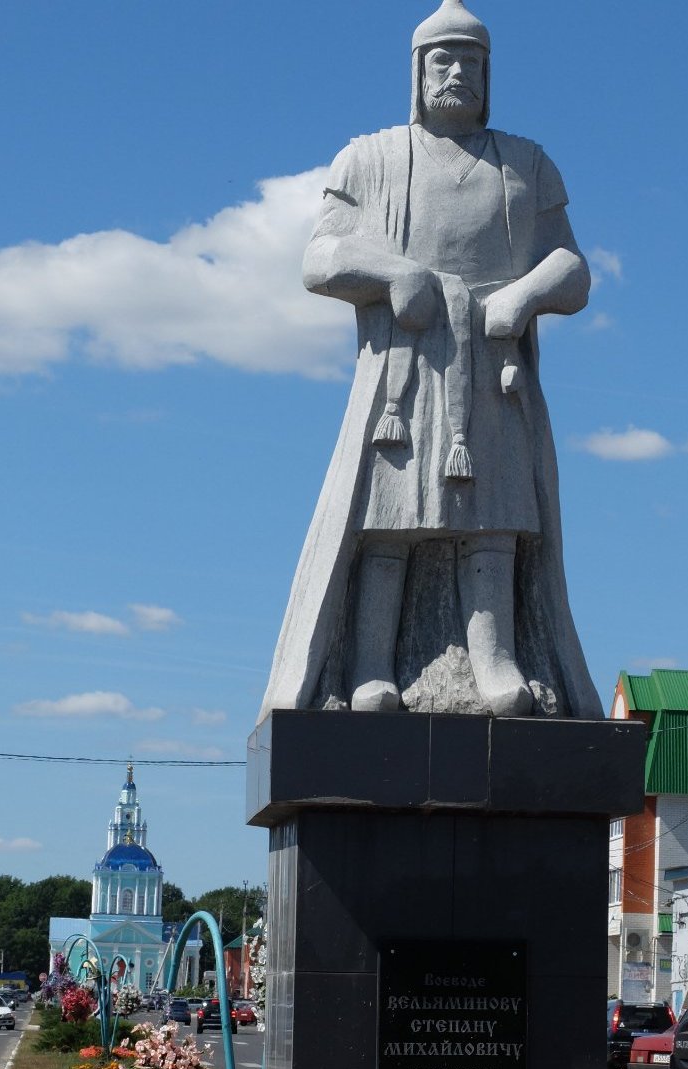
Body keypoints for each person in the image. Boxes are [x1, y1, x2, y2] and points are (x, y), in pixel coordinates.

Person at [258, 0, 601, 723]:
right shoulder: (371, 156)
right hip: (404, 367)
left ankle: (494, 658)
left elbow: (571, 267)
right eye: (441, 60)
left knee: (497, 511)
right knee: (391, 512)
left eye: (469, 62)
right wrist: (391, 272)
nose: (455, 73)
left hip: (492, 359)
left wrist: (523, 296)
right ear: (415, 72)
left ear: (488, 75)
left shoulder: (525, 163)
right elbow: (320, 257)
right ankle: (372, 666)